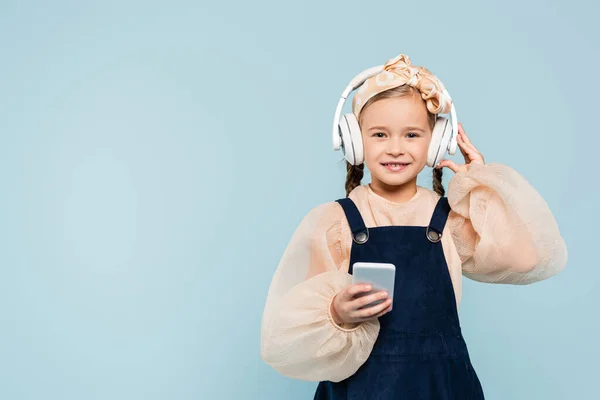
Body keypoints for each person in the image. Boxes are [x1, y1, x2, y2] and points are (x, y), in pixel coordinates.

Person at [259, 53, 567, 399]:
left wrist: (481, 186)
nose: (395, 148)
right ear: (355, 142)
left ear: (435, 143)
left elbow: (525, 259)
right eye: (379, 134)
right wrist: (335, 312)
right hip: (361, 388)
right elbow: (285, 331)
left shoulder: (449, 219)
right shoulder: (334, 222)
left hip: (443, 386)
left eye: (411, 135)